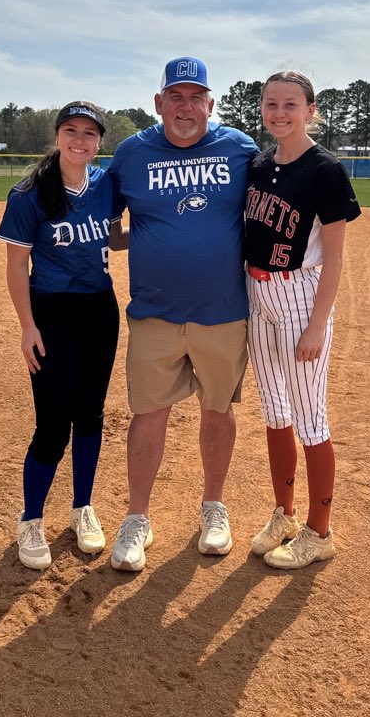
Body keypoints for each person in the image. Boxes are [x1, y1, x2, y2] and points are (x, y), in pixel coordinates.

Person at [107, 57, 259, 571]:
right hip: (155, 313)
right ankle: (137, 517)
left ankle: (214, 507)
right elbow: (106, 224)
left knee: (218, 409)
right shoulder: (131, 153)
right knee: (149, 413)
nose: (186, 106)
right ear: (158, 103)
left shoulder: (239, 148)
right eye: (176, 96)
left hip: (223, 311)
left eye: (196, 97)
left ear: (211, 105)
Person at [0, 102, 128, 570]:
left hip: (99, 311)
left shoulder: (106, 184)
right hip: (51, 314)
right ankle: (30, 519)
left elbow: (112, 238)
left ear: (99, 142)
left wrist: (162, 232)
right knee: (53, 423)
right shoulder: (29, 194)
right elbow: (17, 266)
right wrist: (27, 326)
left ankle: (82, 509)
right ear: (57, 136)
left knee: (90, 415)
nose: (80, 140)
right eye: (71, 131)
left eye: (90, 133)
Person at [244, 71, 361, 569]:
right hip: (256, 291)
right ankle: (285, 514)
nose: (279, 112)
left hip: (300, 295)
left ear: (311, 110)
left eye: (291, 104)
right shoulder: (258, 164)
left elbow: (333, 257)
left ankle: (320, 531)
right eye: (271, 103)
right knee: (275, 411)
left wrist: (318, 323)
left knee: (311, 417)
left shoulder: (325, 170)